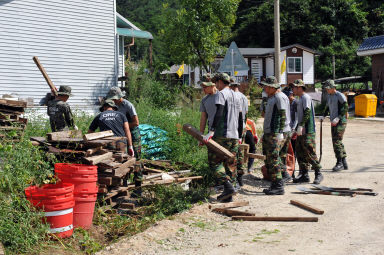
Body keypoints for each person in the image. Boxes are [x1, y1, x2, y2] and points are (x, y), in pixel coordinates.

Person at [203, 72, 242, 202]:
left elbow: (219, 112)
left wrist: (212, 130)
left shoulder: (221, 94)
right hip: (234, 136)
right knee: (230, 164)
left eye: (216, 82)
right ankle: (228, 195)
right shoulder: (237, 96)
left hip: (222, 135)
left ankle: (227, 186)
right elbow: (241, 117)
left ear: (220, 82)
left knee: (214, 162)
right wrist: (240, 134)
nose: (216, 85)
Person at [261, 76, 291, 195]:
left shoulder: (279, 97)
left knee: (273, 159)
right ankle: (280, 178)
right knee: (274, 158)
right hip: (272, 132)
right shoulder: (273, 97)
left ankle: (278, 185)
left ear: (272, 87)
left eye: (266, 87)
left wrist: (279, 132)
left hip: (276, 132)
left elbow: (282, 115)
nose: (264, 89)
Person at [291, 79, 323, 184]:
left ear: (299, 87)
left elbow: (307, 112)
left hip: (308, 130)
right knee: (300, 153)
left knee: (310, 152)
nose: (293, 89)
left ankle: (318, 173)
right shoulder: (299, 98)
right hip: (301, 131)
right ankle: (304, 175)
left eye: (294, 87)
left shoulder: (305, 97)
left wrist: (301, 126)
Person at [321, 80, 348, 171]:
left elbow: (345, 107)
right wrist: (323, 115)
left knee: (337, 142)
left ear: (333, 88)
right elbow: (327, 107)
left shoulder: (340, 95)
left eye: (328, 89)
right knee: (337, 141)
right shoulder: (329, 96)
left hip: (340, 121)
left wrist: (338, 118)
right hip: (333, 121)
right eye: (326, 89)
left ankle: (339, 163)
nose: (327, 90)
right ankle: (344, 162)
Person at [106, 87, 141, 159]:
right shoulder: (114, 106)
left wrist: (124, 126)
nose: (113, 101)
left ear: (119, 97)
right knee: (124, 154)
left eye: (114, 99)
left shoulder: (128, 105)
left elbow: (136, 123)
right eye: (112, 99)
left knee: (135, 154)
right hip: (122, 133)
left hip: (132, 132)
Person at [229, 79, 248, 186]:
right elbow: (246, 113)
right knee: (240, 151)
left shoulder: (232, 97)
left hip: (235, 126)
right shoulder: (244, 97)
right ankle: (240, 177)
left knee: (234, 152)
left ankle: (235, 177)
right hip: (243, 125)